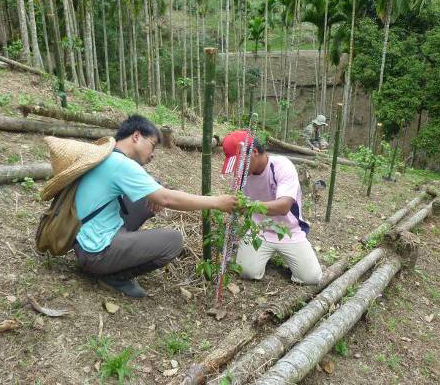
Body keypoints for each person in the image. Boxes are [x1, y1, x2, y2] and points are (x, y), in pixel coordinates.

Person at [41, 115, 237, 297]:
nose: (152, 154)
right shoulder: (121, 165)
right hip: (96, 252)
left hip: (84, 243)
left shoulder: (108, 158)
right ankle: (113, 276)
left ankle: (114, 257)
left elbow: (156, 190)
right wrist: (217, 202)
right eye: (152, 145)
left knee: (146, 198)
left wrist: (156, 193)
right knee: (174, 241)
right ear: (136, 136)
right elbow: (167, 199)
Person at [221, 131, 322, 285]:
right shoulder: (242, 176)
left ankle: (280, 253)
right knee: (247, 272)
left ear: (254, 153)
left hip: (289, 231)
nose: (237, 170)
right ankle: (261, 254)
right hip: (258, 231)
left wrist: (247, 206)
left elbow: (283, 206)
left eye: (238, 165)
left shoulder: (281, 166)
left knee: (311, 277)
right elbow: (238, 204)